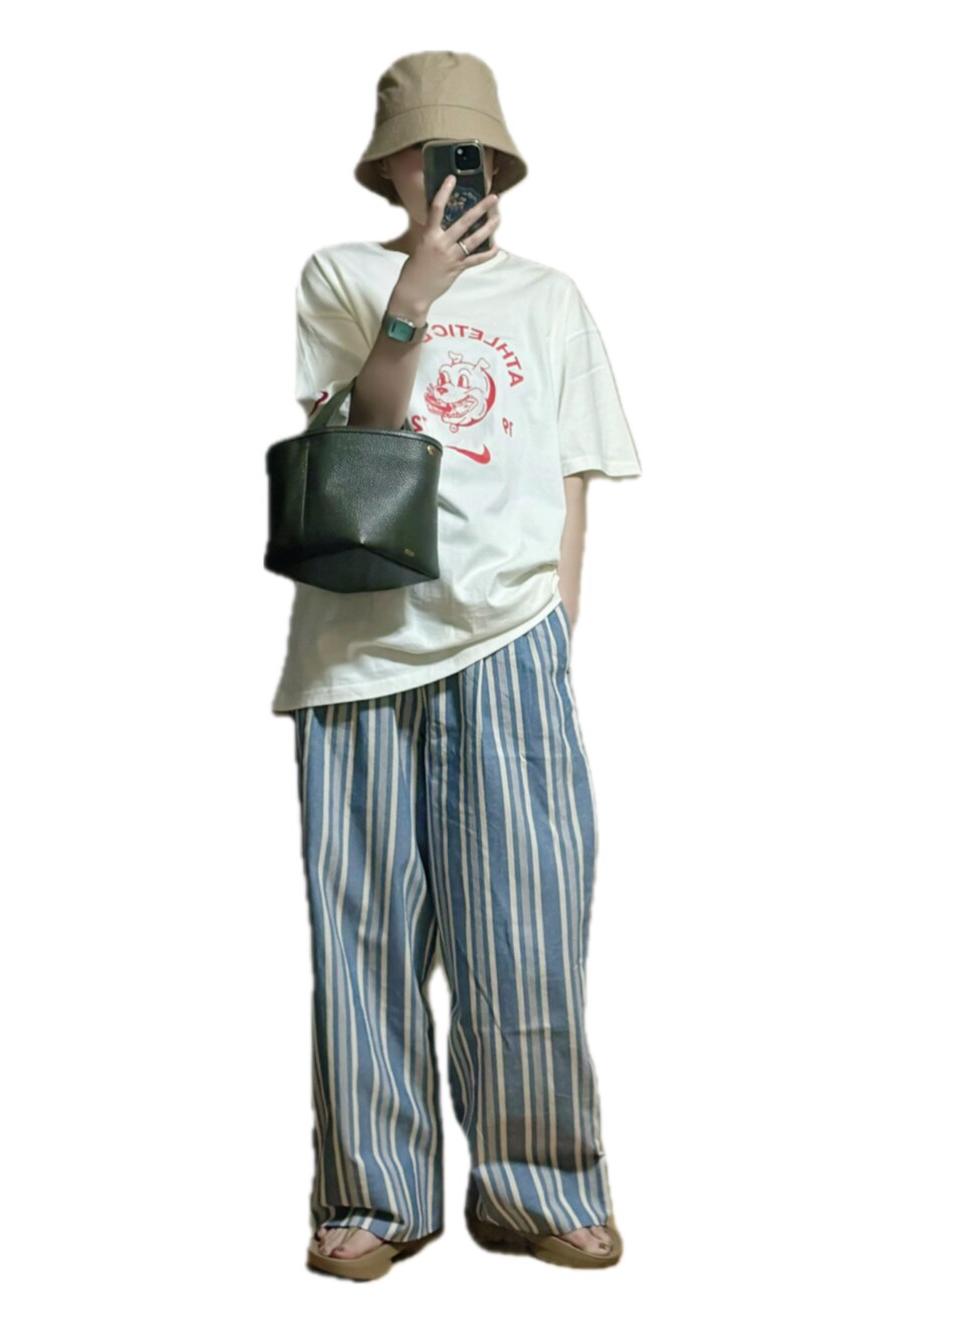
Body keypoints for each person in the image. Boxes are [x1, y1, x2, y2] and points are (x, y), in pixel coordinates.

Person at [274, 51, 642, 1281]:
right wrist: (416, 293)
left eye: (467, 151)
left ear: (496, 163)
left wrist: (557, 629)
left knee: (527, 928)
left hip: (509, 640)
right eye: (429, 151)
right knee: (362, 932)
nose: (448, 171)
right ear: (389, 165)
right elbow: (366, 428)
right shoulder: (341, 273)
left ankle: (541, 1187)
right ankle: (373, 1196)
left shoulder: (551, 298)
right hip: (359, 645)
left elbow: (572, 475)